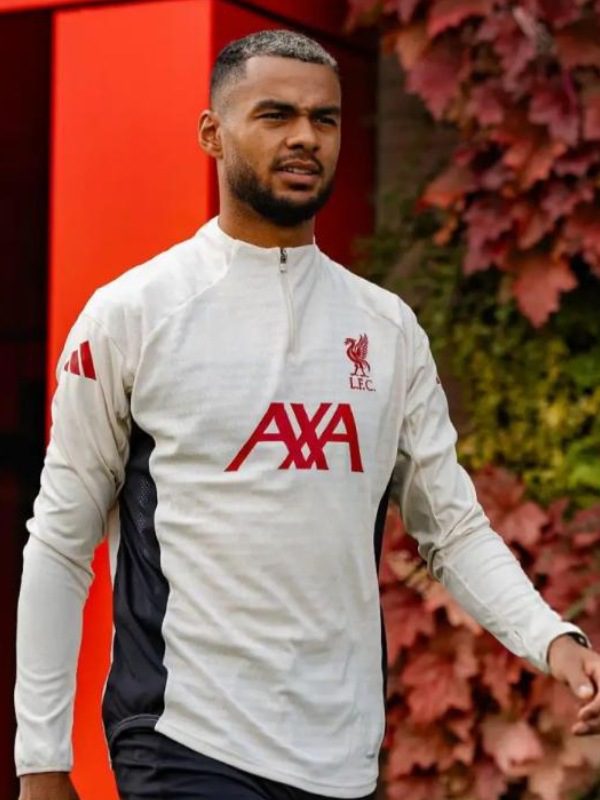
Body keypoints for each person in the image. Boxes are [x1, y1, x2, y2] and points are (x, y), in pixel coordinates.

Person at [15, 29, 600, 800]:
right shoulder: (132, 316)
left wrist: (554, 639)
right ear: (212, 133)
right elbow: (61, 542)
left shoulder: (387, 329)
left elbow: (452, 529)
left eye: (324, 119)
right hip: (182, 738)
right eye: (276, 115)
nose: (305, 137)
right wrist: (41, 759)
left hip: (341, 753)